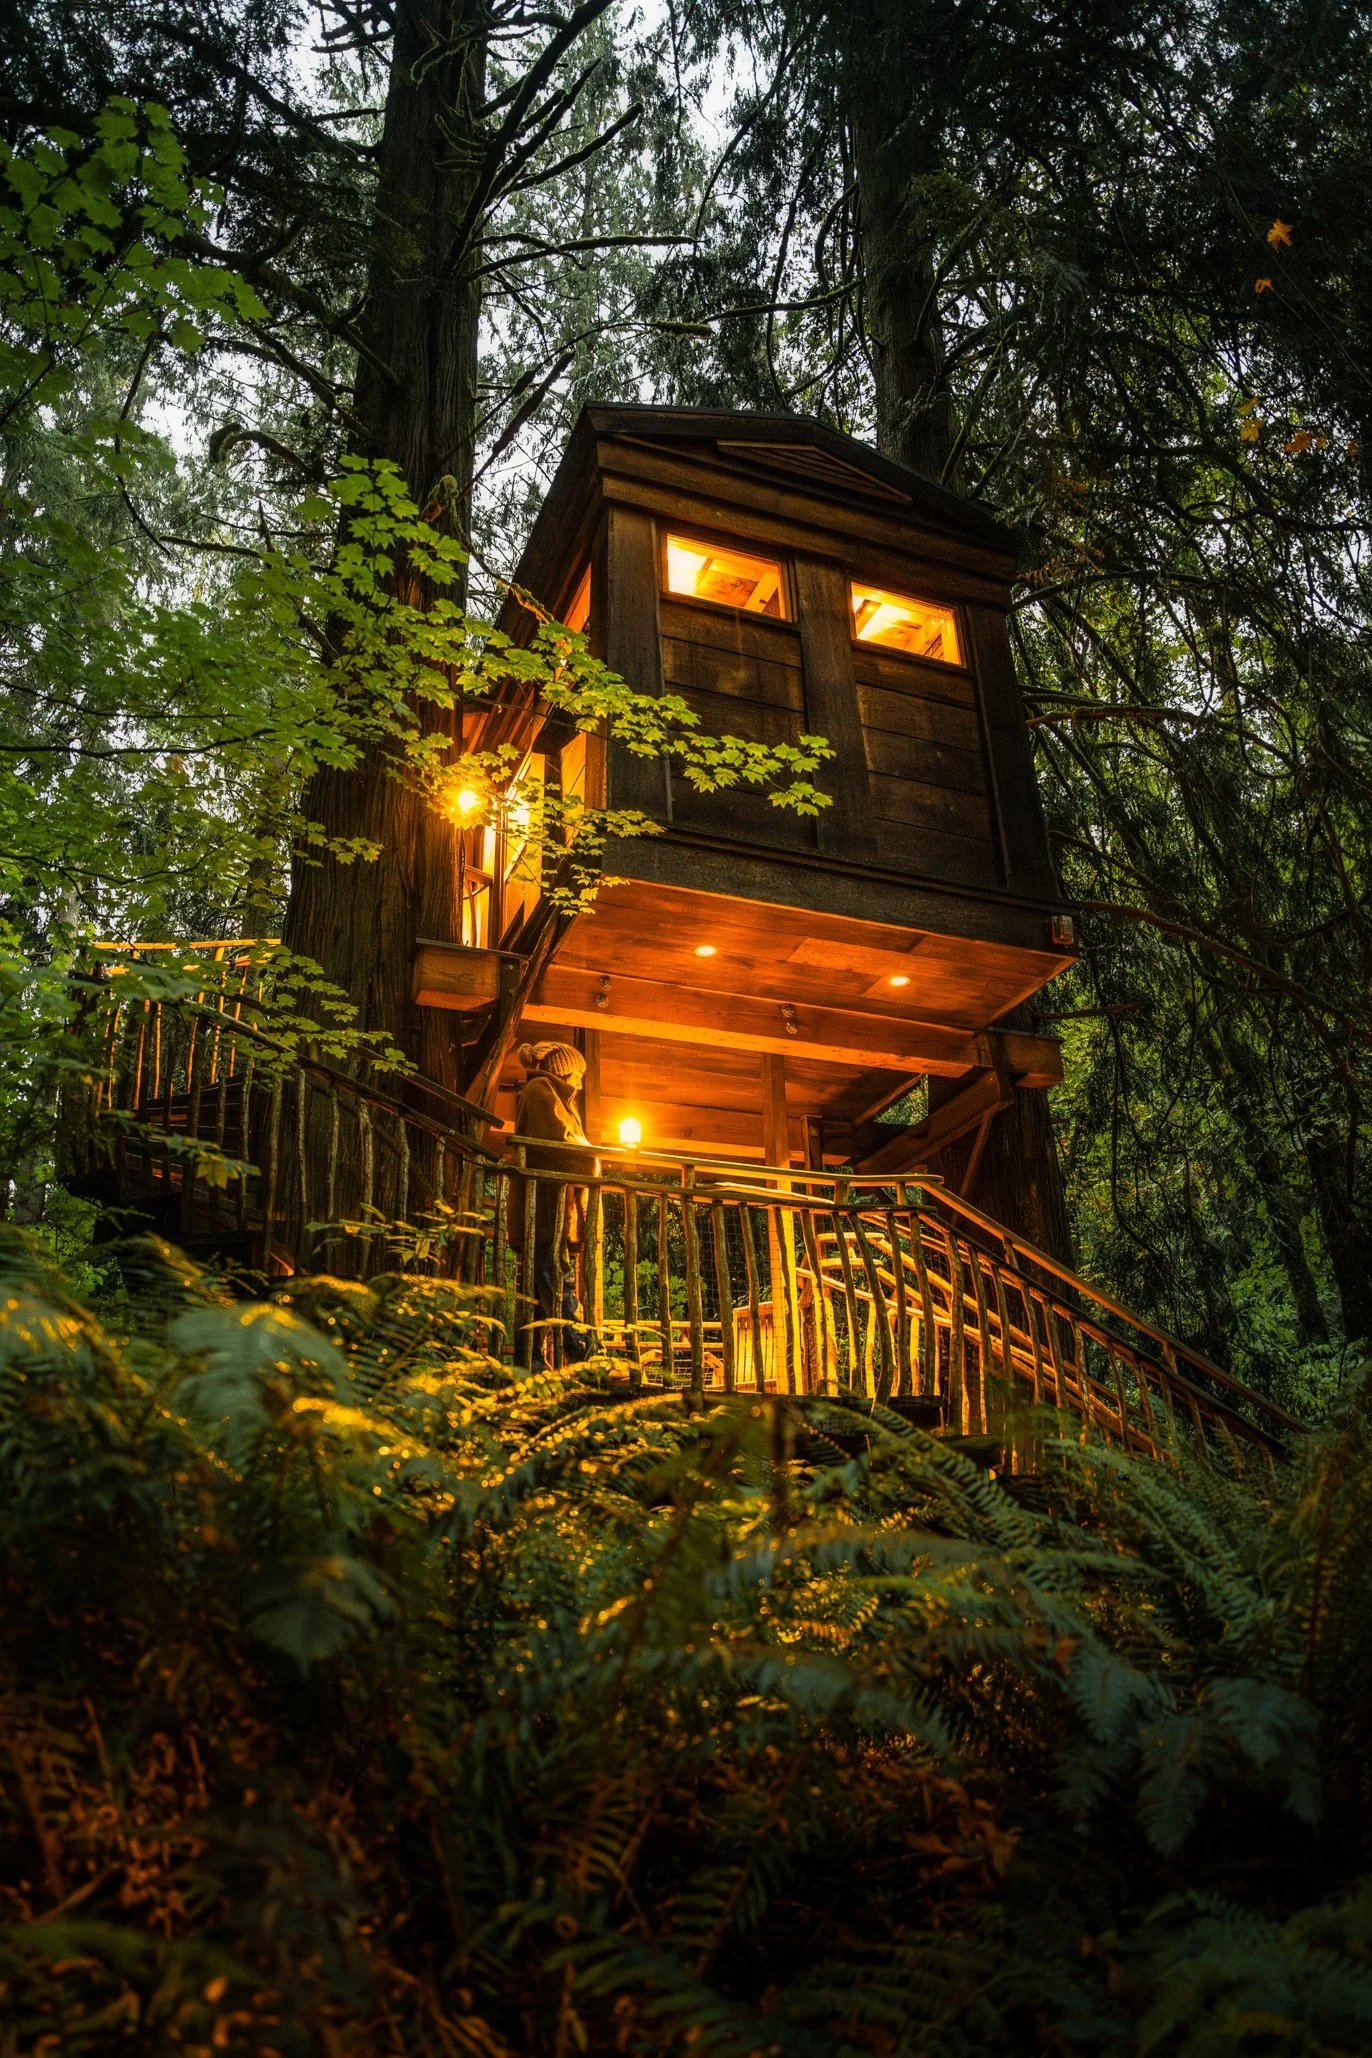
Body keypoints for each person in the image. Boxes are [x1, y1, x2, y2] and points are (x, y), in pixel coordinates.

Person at [506, 1041, 599, 1365]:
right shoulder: (542, 1089)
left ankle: (526, 1364)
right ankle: (586, 1358)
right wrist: (591, 1160)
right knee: (559, 1282)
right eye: (579, 1074)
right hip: (545, 1210)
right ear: (564, 1071)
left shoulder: (555, 1096)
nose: (581, 1083)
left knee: (534, 1294)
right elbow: (560, 1142)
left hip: (551, 1210)